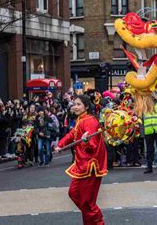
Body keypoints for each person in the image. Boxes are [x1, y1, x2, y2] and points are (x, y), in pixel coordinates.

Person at [55, 95, 107, 225]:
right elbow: (72, 133)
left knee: (85, 201)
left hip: (89, 166)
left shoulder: (89, 121)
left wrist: (86, 141)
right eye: (74, 104)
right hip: (82, 164)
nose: (75, 107)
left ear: (86, 106)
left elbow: (92, 146)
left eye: (78, 104)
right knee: (76, 195)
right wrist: (60, 145)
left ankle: (98, 222)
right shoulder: (81, 119)